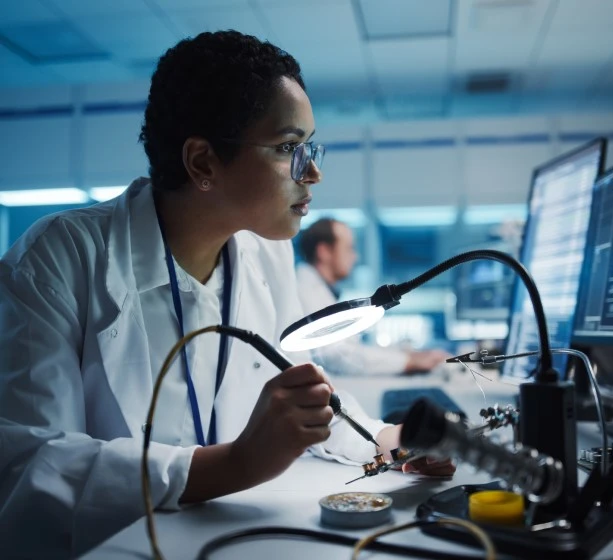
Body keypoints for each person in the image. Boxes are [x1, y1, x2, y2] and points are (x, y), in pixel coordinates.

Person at [0, 31, 454, 559]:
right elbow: (28, 466)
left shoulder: (265, 254)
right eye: (288, 148)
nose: (312, 171)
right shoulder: (59, 258)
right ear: (203, 164)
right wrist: (234, 465)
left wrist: (383, 440)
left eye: (309, 146)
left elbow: (303, 397)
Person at [296, 218, 450, 376]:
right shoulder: (306, 290)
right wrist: (408, 362)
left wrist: (409, 356)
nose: (355, 257)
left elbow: (351, 350)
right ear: (324, 251)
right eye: (349, 248)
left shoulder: (318, 289)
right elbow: (338, 356)